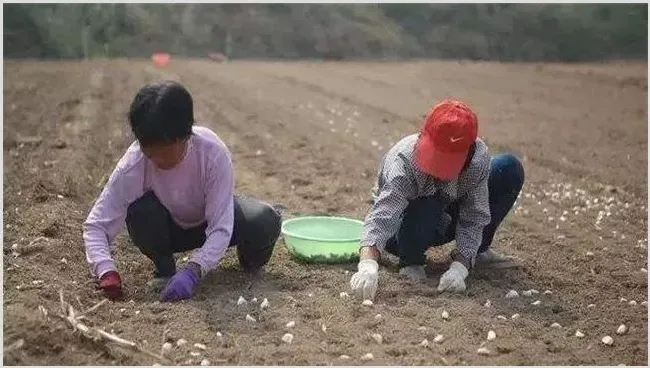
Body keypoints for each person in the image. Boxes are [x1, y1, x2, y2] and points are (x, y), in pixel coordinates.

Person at [83, 80, 282, 302]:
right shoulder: (134, 164)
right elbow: (97, 224)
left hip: (208, 219)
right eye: (150, 153)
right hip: (171, 230)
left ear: (185, 136)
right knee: (141, 210)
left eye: (164, 152)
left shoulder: (212, 153)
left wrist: (194, 271)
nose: (156, 160)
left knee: (265, 219)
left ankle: (250, 260)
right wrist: (106, 271)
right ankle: (165, 269)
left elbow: (220, 227)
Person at [350, 99, 525, 300]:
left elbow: (475, 215)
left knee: (507, 168)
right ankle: (411, 260)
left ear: (469, 152)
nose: (437, 168)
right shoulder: (405, 161)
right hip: (402, 227)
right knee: (430, 200)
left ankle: (477, 252)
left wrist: (461, 266)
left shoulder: (478, 160)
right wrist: (367, 266)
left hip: (443, 216)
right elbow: (383, 217)